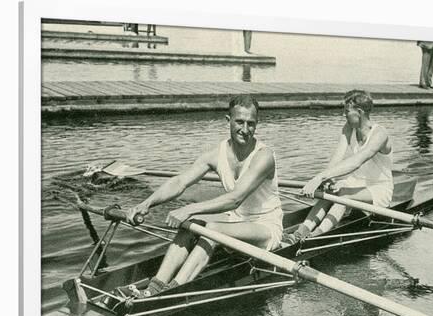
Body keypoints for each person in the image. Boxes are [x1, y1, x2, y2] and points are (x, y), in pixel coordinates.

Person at [127, 95, 283, 296]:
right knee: (191, 223)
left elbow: (235, 198)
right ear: (228, 120)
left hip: (265, 227)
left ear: (257, 124)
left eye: (251, 124)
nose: (245, 129)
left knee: (211, 229)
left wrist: (188, 208)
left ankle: (174, 291)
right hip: (236, 220)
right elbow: (180, 181)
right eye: (239, 122)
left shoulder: (264, 156)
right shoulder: (216, 154)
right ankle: (154, 288)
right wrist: (146, 204)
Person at [283, 90, 393, 244]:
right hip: (355, 182)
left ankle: (317, 236)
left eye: (347, 111)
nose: (344, 115)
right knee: (329, 190)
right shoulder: (349, 127)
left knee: (342, 196)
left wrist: (319, 177)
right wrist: (327, 178)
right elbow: (337, 156)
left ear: (359, 112)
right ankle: (301, 232)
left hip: (378, 188)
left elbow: (357, 161)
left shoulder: (380, 134)